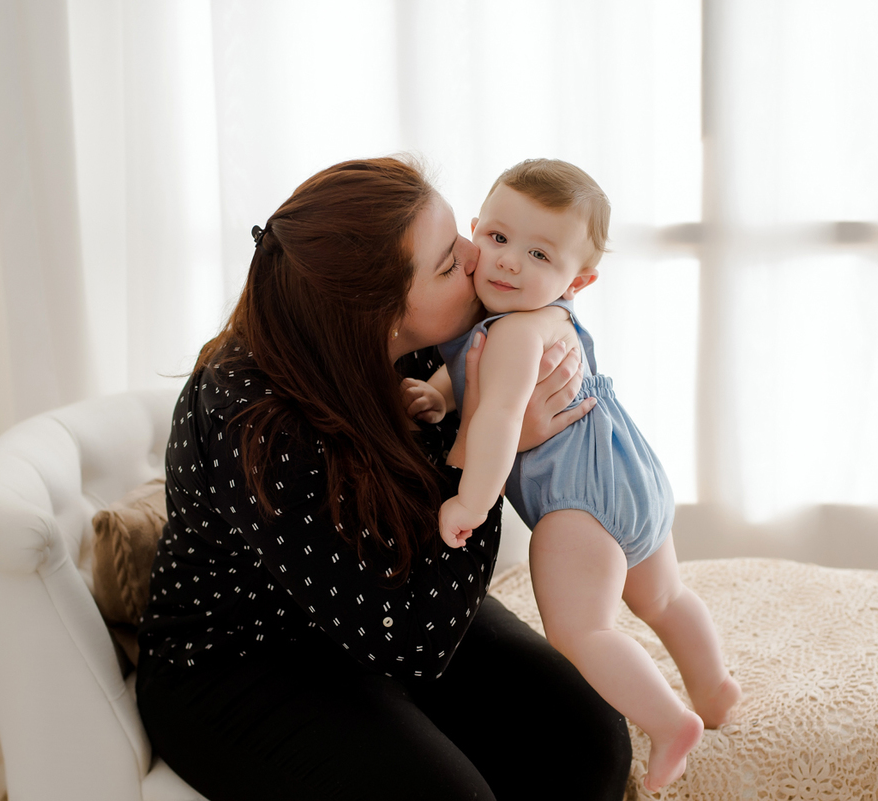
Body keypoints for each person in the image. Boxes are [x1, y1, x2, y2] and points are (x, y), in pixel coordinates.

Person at [135, 157, 633, 801]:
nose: (476, 256)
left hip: (384, 589)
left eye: (460, 234)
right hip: (246, 659)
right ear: (381, 311)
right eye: (450, 263)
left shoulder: (420, 345)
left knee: (588, 742)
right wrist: (492, 443)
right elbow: (418, 641)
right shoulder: (254, 421)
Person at [418, 159, 741, 791]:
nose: (510, 262)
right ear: (476, 230)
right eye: (499, 239)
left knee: (583, 630)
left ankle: (669, 720)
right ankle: (715, 687)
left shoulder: (512, 332)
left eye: (540, 254)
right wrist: (437, 395)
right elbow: (468, 378)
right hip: (633, 478)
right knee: (663, 597)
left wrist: (470, 500)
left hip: (576, 506)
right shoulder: (549, 318)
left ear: (580, 279)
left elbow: (502, 417)